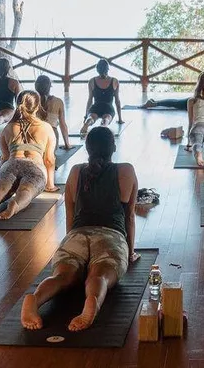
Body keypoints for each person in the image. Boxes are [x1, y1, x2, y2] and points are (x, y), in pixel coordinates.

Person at [20, 127, 139, 332]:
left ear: (87, 148)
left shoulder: (76, 171)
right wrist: (130, 251)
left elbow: (70, 215)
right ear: (113, 147)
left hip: (76, 235)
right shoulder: (126, 171)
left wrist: (71, 247)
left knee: (63, 276)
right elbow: (129, 217)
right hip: (111, 236)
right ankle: (92, 300)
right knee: (99, 276)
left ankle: (36, 298)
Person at [0, 91, 58, 220]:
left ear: (17, 104)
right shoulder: (46, 128)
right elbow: (49, 160)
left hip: (12, 164)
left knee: (1, 188)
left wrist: (4, 173)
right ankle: (16, 204)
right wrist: (50, 185)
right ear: (37, 106)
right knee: (26, 191)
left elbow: (5, 158)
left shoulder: (8, 128)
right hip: (34, 168)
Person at [80, 59, 123, 135]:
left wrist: (86, 116)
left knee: (91, 118)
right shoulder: (115, 81)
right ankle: (103, 126)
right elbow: (117, 101)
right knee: (106, 119)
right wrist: (120, 119)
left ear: (97, 69)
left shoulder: (92, 81)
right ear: (107, 69)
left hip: (96, 107)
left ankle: (86, 124)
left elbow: (90, 100)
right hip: (108, 108)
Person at [35, 75, 72, 149]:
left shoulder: (30, 100)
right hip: (52, 141)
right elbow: (62, 125)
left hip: (35, 140)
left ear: (36, 86)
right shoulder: (58, 102)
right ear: (50, 87)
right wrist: (67, 144)